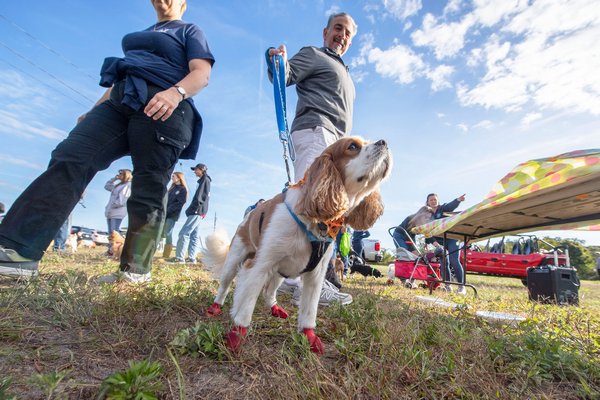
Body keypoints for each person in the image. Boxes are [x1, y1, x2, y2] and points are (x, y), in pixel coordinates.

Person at [0, 0, 214, 281]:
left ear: (183, 3)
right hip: (120, 100)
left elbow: (202, 73)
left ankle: (135, 271)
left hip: (164, 104)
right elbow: (121, 78)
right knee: (71, 156)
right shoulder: (144, 33)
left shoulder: (189, 31)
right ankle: (17, 252)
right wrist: (95, 109)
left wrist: (175, 93)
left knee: (148, 183)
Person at [268, 12, 357, 306]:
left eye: (347, 33)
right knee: (312, 203)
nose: (341, 35)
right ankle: (298, 282)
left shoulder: (345, 71)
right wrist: (275, 60)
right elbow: (284, 74)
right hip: (316, 131)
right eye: (337, 28)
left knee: (329, 209)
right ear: (326, 31)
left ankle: (315, 279)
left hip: (336, 142)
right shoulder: (316, 54)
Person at [426, 193, 467, 294]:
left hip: (452, 238)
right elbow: (427, 231)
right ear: (428, 202)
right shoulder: (427, 215)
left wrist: (458, 200)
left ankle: (461, 287)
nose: (433, 201)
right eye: (431, 200)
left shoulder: (443, 208)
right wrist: (428, 243)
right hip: (441, 242)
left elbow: (450, 206)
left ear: (438, 200)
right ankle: (447, 285)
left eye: (435, 199)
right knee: (444, 263)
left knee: (454, 260)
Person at [172, 163, 210, 263]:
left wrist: (191, 209)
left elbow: (200, 197)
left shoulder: (204, 180)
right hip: (200, 211)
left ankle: (179, 258)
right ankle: (192, 258)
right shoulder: (204, 180)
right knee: (194, 235)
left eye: (196, 169)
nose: (194, 171)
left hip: (197, 211)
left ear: (202, 170)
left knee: (184, 233)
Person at [104, 169, 132, 256]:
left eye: (121, 174)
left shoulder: (128, 185)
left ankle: (117, 251)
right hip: (111, 211)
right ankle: (111, 250)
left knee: (114, 232)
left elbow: (122, 200)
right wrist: (114, 179)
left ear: (126, 175)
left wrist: (113, 205)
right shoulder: (118, 185)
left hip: (118, 211)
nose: (118, 175)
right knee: (111, 233)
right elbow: (107, 186)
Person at [161, 172, 188, 259]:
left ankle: (166, 255)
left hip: (172, 215)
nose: (172, 177)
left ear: (179, 178)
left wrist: (168, 211)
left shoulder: (183, 189)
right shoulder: (171, 189)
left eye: (173, 176)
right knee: (161, 232)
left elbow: (179, 203)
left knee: (168, 232)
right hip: (164, 213)